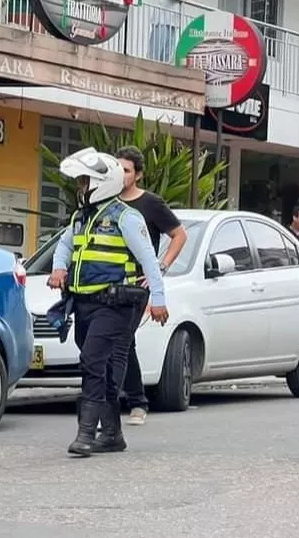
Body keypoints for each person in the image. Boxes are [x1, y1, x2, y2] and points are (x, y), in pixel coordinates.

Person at [48, 147, 169, 458]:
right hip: (84, 302)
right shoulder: (81, 217)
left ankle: (86, 434)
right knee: (102, 366)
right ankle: (112, 434)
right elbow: (64, 246)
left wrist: (158, 299)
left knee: (92, 360)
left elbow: (149, 260)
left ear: (101, 183)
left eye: (84, 182)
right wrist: (58, 269)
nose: (80, 188)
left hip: (115, 304)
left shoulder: (126, 217)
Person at [114, 145, 188, 426]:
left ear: (138, 175)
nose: (121, 174)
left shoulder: (151, 204)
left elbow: (179, 235)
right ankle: (135, 399)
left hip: (138, 284)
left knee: (122, 338)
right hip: (109, 282)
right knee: (123, 341)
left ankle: (127, 402)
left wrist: (161, 266)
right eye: (117, 169)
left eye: (126, 170)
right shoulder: (106, 202)